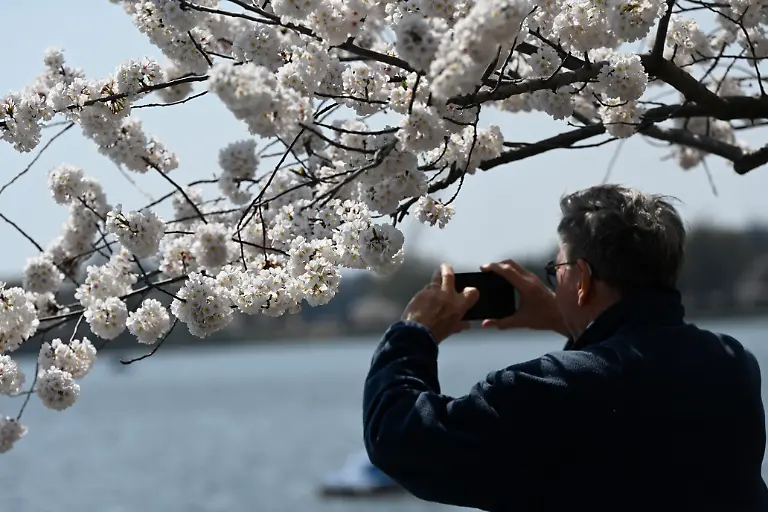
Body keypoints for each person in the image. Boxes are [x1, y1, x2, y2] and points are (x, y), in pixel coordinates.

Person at [362, 184, 768, 511]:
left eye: (558, 271)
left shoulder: (549, 388)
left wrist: (413, 332)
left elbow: (401, 439)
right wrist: (567, 319)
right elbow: (637, 377)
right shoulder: (732, 366)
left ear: (584, 279)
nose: (555, 284)